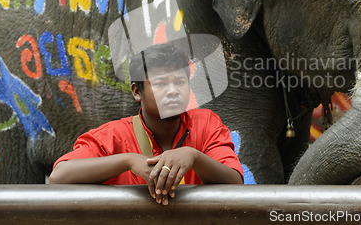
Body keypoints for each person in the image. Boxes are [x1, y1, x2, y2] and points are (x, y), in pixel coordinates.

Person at [49, 43, 243, 205]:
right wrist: (128, 161)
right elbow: (59, 177)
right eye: (160, 84)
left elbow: (234, 182)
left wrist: (194, 156)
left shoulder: (206, 123)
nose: (173, 91)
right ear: (136, 92)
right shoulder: (113, 135)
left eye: (180, 82)